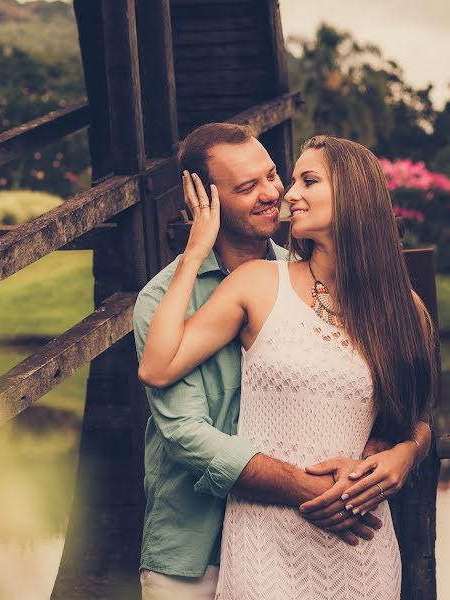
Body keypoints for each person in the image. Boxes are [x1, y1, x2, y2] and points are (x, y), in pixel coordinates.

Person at [132, 124, 430, 599]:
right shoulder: (165, 300)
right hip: (201, 547)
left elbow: (409, 410)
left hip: (348, 541)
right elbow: (184, 430)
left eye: (276, 175)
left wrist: (407, 450)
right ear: (207, 202)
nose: (278, 193)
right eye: (248, 187)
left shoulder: (384, 301)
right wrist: (319, 493)